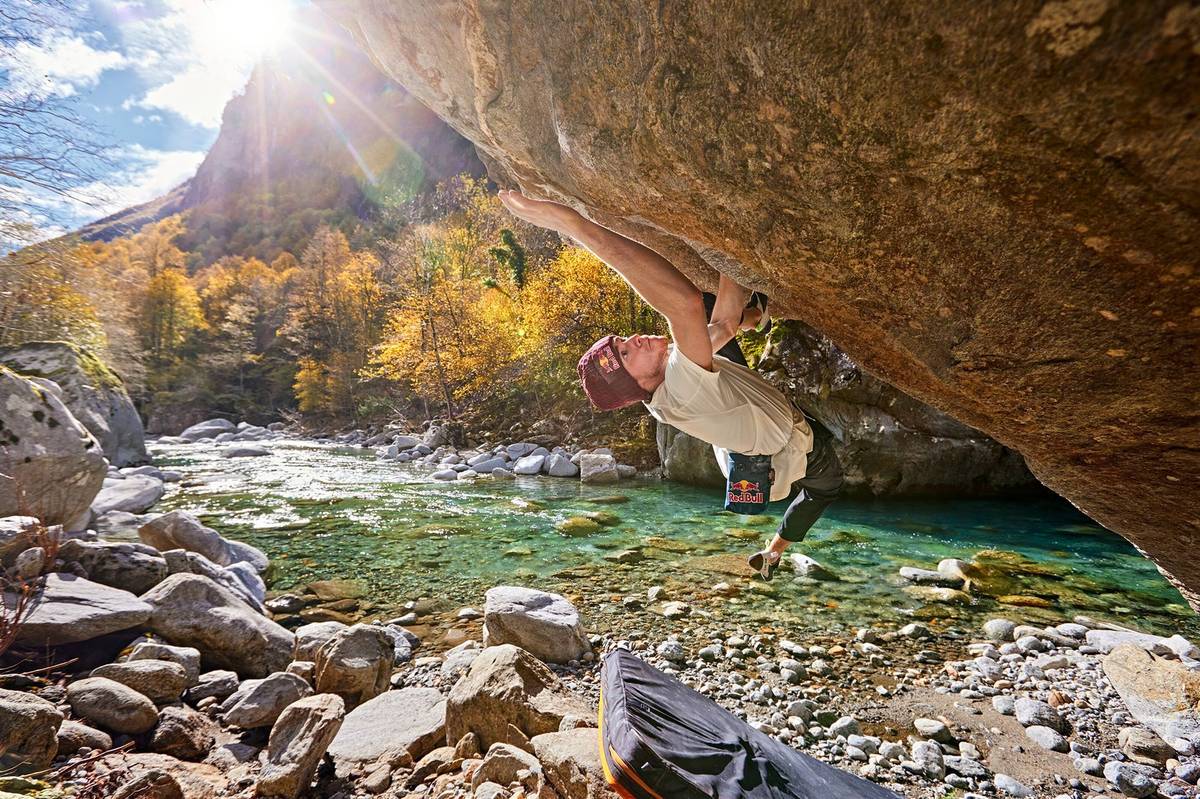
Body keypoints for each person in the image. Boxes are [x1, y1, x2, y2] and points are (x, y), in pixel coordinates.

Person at [499, 190, 844, 580]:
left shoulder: (669, 371)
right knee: (825, 487)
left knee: (713, 323)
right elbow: (684, 304)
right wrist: (573, 224)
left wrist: (732, 245)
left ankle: (755, 318)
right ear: (637, 381)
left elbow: (721, 325)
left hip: (735, 415)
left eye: (622, 341)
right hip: (787, 448)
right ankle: (773, 551)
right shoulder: (680, 387)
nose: (634, 339)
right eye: (626, 353)